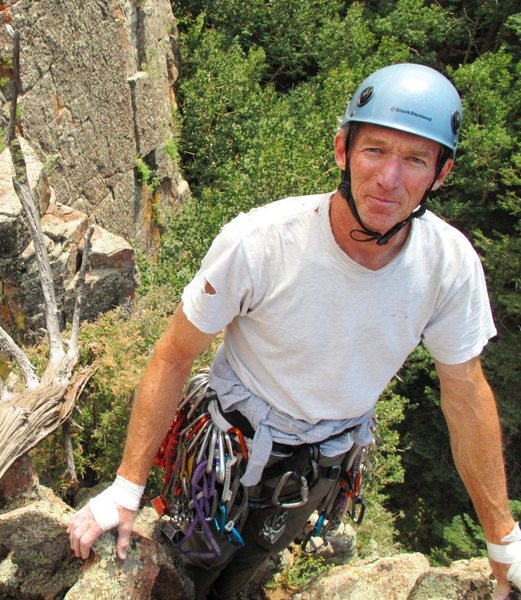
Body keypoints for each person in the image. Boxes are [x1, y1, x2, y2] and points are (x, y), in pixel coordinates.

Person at [68, 63, 521, 599]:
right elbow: (173, 355)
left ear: (440, 175)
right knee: (188, 569)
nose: (390, 178)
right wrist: (125, 489)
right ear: (342, 151)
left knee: (250, 563)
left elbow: (466, 395)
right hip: (228, 451)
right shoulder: (261, 241)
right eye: (375, 150)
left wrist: (503, 541)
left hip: (322, 462)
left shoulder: (449, 266)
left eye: (415, 160)